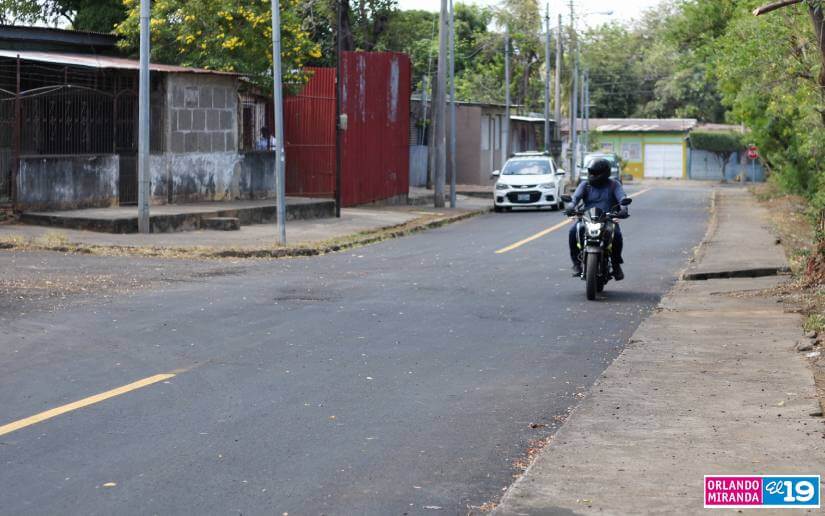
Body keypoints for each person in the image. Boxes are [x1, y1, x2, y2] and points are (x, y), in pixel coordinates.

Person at [565, 158, 629, 280]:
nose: (592, 175)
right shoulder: (585, 185)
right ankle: (576, 263)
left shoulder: (614, 185)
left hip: (608, 219)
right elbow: (575, 198)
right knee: (573, 231)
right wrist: (571, 207)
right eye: (591, 172)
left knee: (617, 235)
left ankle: (616, 264)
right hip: (587, 218)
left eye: (595, 173)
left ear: (605, 173)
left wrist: (623, 209)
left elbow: (622, 198)